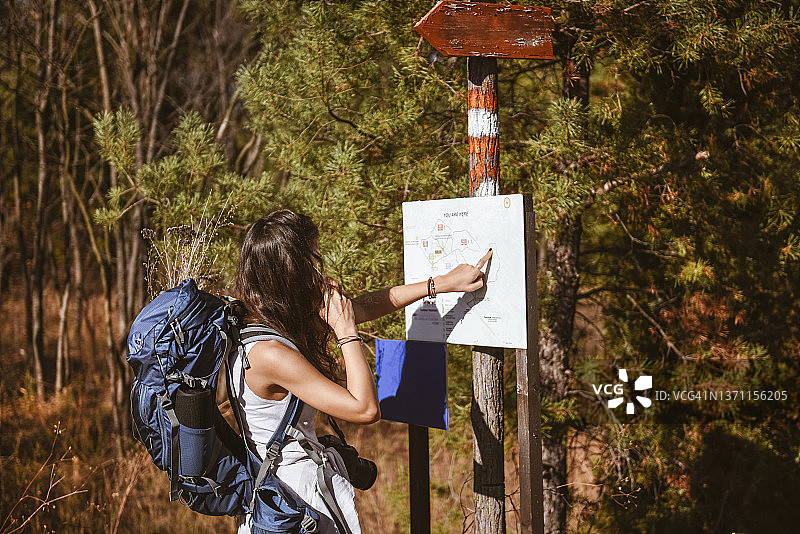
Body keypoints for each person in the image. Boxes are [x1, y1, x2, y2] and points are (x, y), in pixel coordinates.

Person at [230, 210, 492, 533]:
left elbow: (365, 306)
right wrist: (346, 331)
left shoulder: (261, 321)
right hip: (296, 508)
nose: (318, 273)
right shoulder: (270, 354)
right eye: (311, 263)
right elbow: (365, 408)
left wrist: (440, 284)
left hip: (290, 499)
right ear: (288, 274)